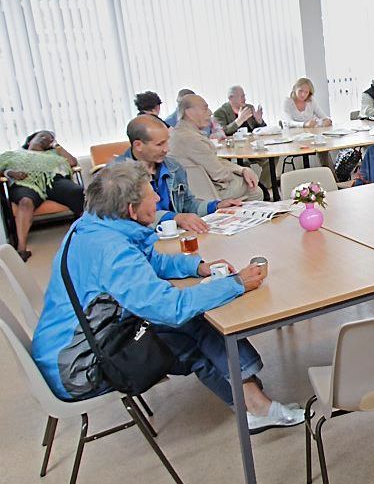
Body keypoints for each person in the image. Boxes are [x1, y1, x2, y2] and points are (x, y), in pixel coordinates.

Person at [31, 161, 304, 433]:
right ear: (131, 209)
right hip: (81, 365)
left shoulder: (94, 227)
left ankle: (252, 403)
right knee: (193, 325)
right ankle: (255, 405)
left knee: (195, 325)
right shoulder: (112, 252)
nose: (159, 198)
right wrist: (236, 283)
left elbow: (147, 262)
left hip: (65, 346)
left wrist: (196, 267)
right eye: (152, 194)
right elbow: (172, 308)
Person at [115, 115, 240, 233]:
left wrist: (215, 206)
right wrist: (175, 218)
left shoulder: (173, 166)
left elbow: (187, 203)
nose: (166, 149)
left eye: (167, 142)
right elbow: (128, 219)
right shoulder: (118, 177)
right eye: (160, 144)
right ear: (138, 145)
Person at [0, 131, 83, 261]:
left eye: (50, 138)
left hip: (53, 180)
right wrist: (9, 172)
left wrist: (57, 146)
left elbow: (72, 162)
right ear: (30, 140)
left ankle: (88, 231)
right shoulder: (13, 154)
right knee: (25, 201)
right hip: (26, 182)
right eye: (42, 136)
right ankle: (21, 249)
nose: (46, 138)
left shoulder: (54, 154)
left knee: (78, 192)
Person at [169, 95, 264, 201]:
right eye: (205, 108)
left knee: (248, 177)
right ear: (189, 112)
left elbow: (214, 160)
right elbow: (220, 175)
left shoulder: (181, 132)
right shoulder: (190, 138)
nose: (210, 112)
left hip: (202, 186)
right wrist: (241, 175)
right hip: (204, 193)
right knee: (254, 189)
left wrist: (241, 170)